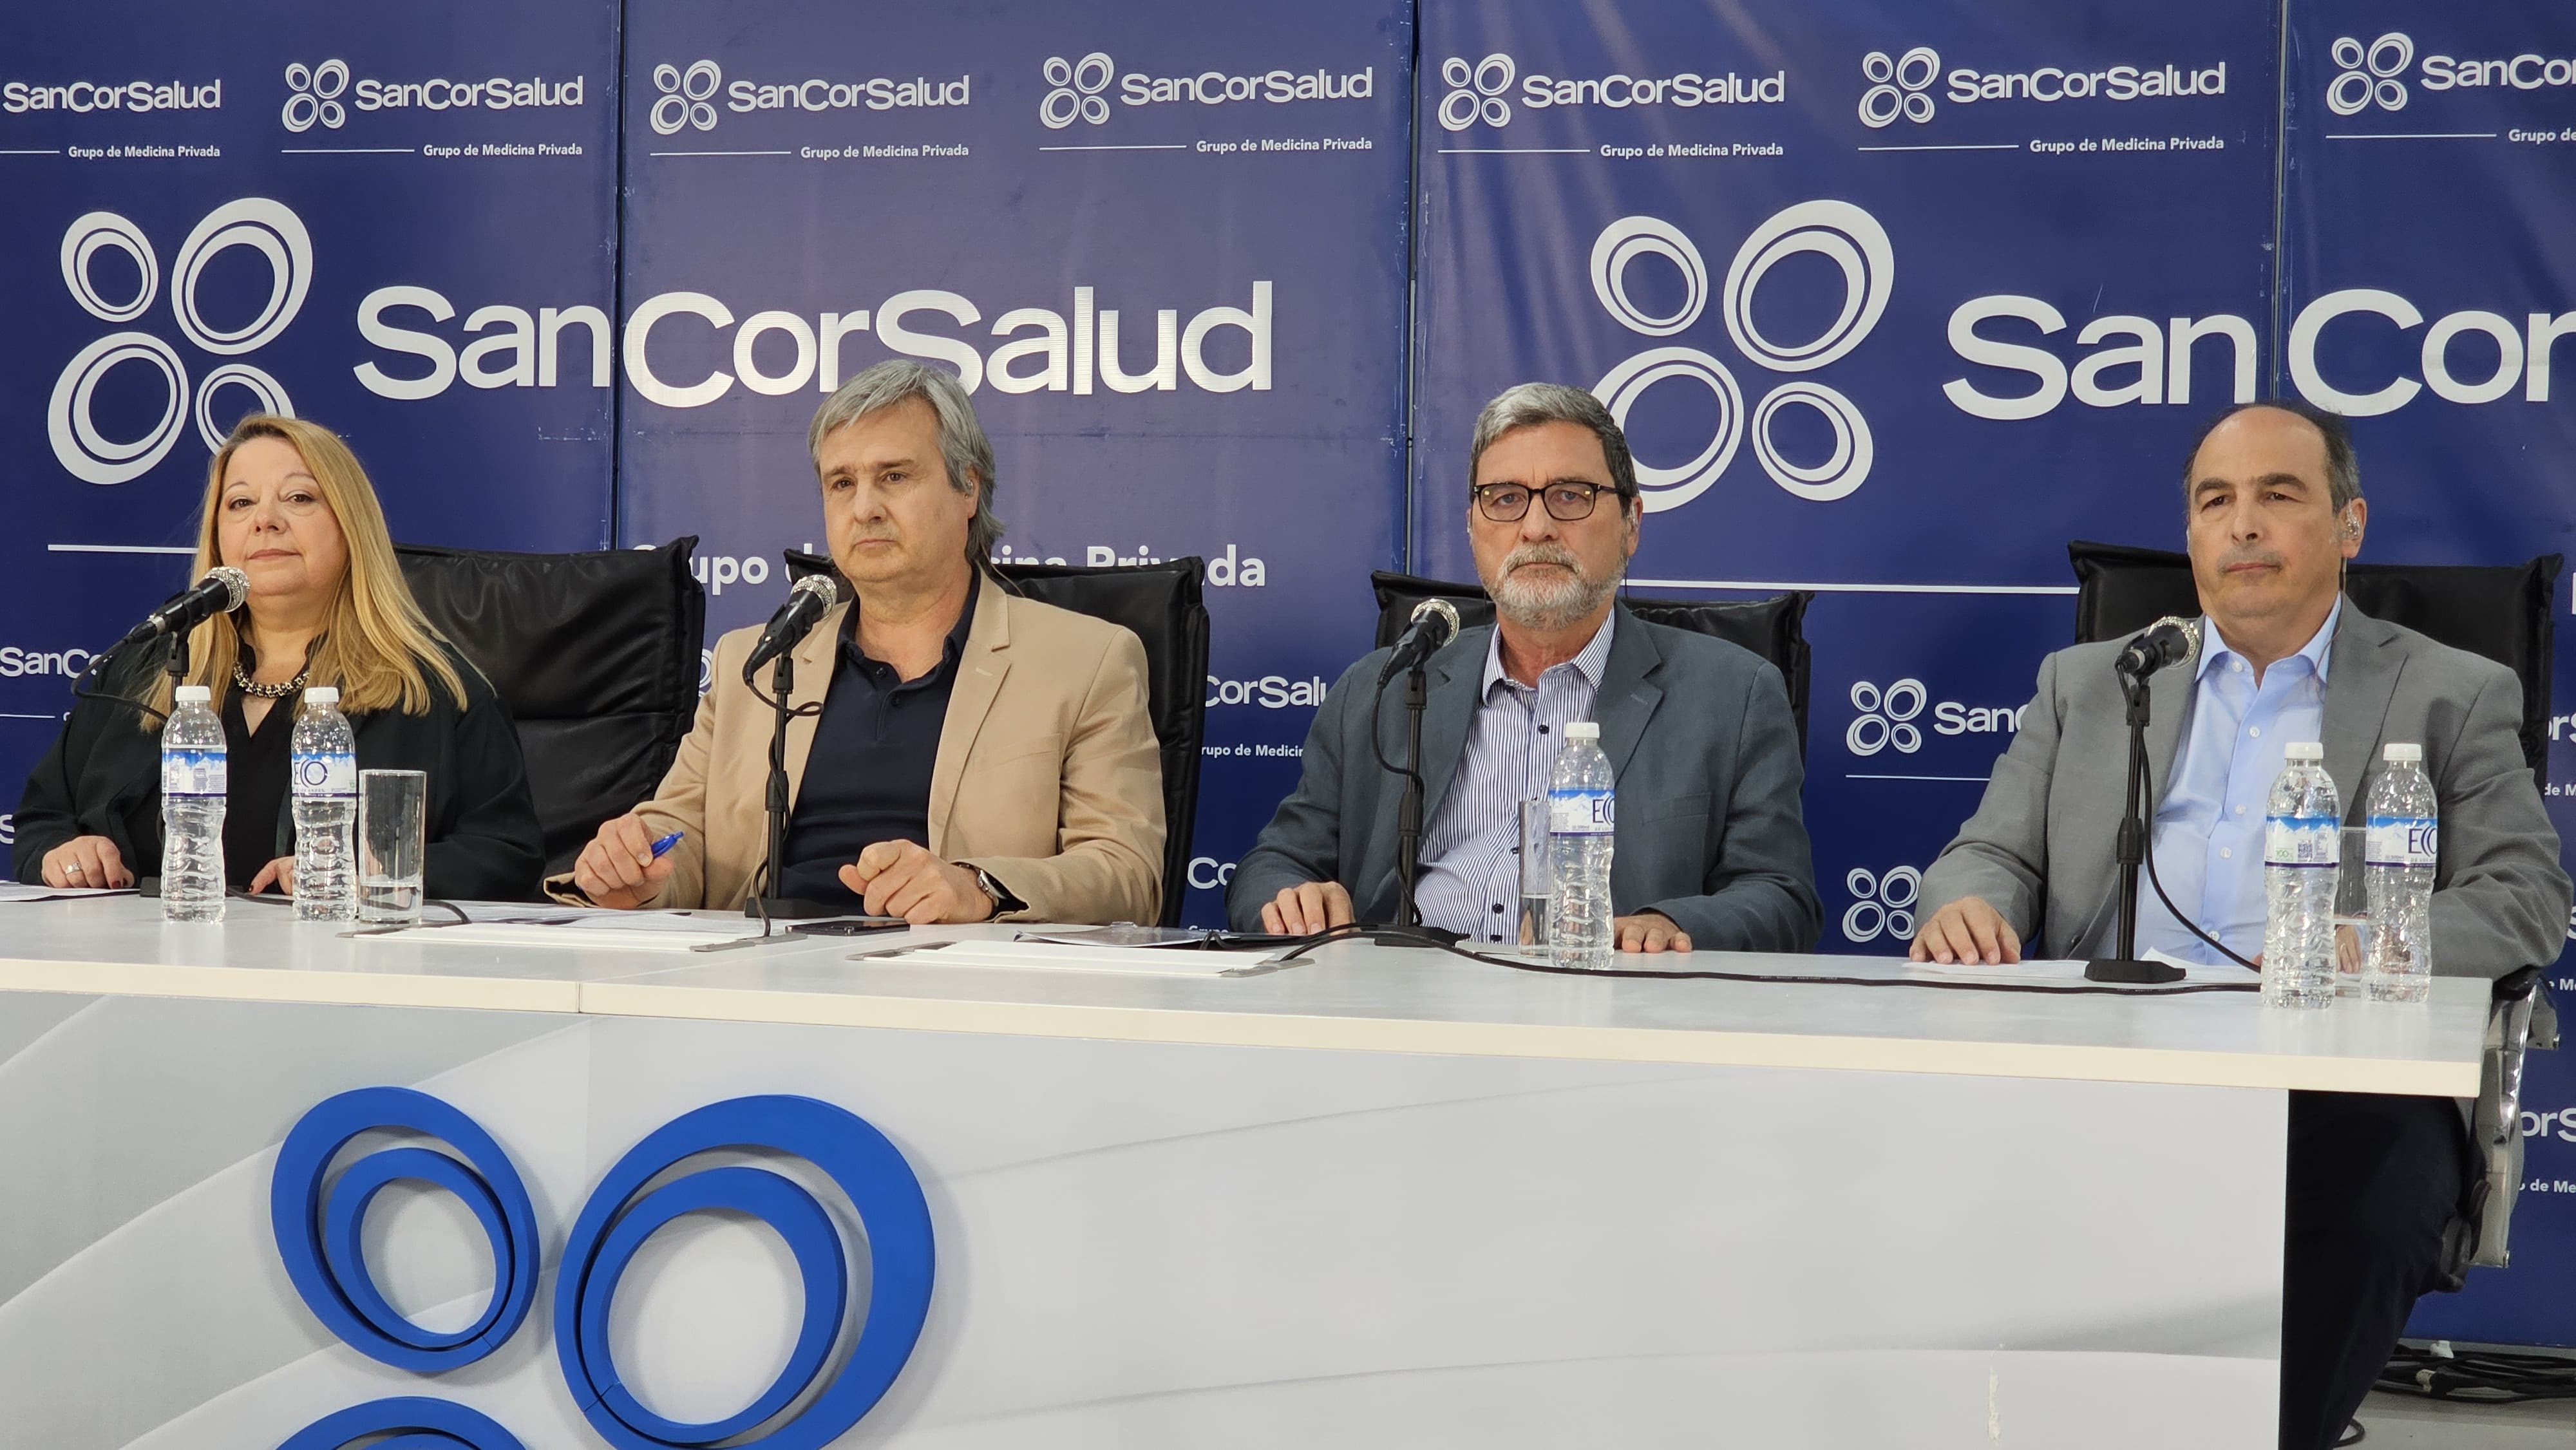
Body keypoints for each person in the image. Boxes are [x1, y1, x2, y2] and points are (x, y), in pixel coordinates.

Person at [1911, 399, 2570, 1450]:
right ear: (2191, 533)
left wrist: (2369, 941)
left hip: (2337, 1069)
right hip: (2101, 1060)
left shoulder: (2451, 691)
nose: (2244, 523)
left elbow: (2526, 895)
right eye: (2215, 501)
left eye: (2279, 494)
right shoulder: (2093, 685)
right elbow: (1989, 852)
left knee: (2376, 1201)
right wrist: (1969, 903)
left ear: (2349, 524)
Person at [560, 359, 1164, 923]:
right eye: (842, 483)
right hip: (756, 977)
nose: (865, 508)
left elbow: (1129, 874)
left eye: (894, 476)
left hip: (953, 978)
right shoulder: (760, 659)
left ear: (968, 489)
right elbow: (680, 836)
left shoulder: (1087, 661)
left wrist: (978, 888)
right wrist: (637, 873)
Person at [1227, 381, 1818, 952]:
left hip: (1602, 1000)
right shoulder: (1381, 688)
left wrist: (1668, 924)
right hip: (1399, 996)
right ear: (1472, 526)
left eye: (1571, 496)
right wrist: (1291, 899)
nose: (1536, 528)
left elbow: (1782, 897)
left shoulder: (1734, 695)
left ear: (1631, 523)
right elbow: (1274, 864)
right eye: (1506, 499)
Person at [14, 415, 544, 899]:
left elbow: (507, 856)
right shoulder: (148, 671)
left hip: (342, 963)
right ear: (218, 537)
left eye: (299, 498)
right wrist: (64, 854)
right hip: (146, 958)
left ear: (351, 525)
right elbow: (44, 819)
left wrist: (365, 872)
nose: (265, 520)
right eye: (240, 503)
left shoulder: (435, 692)